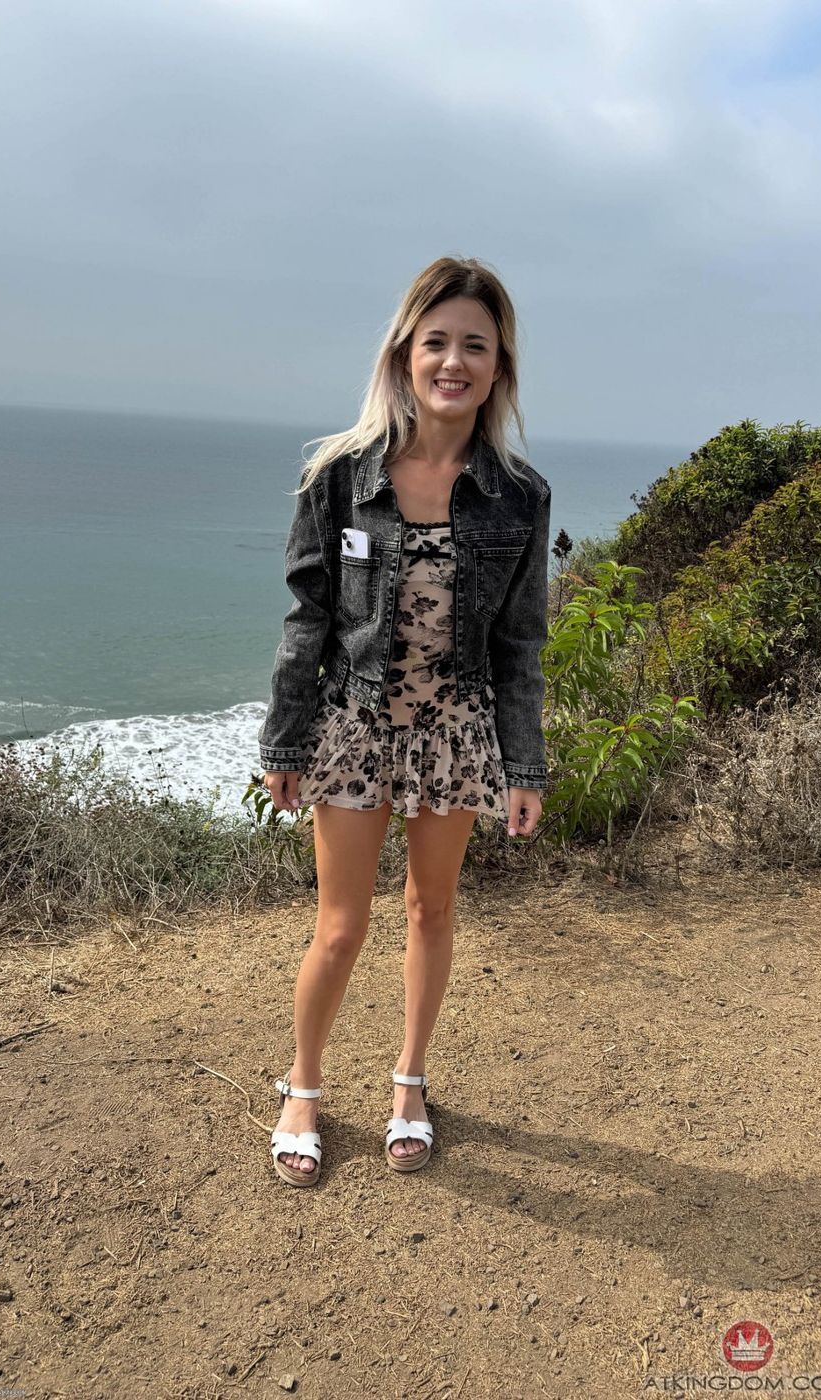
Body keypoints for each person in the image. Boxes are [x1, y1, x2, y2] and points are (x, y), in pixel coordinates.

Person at [258, 255, 552, 1186]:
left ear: (498, 368)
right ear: (403, 354)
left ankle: (409, 1082)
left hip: (457, 733)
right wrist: (285, 740)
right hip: (353, 728)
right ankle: (303, 1086)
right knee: (339, 927)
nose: (453, 361)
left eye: (475, 345)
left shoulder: (519, 495)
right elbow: (307, 618)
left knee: (431, 910)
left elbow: (519, 643)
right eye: (436, 342)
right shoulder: (339, 476)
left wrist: (525, 766)